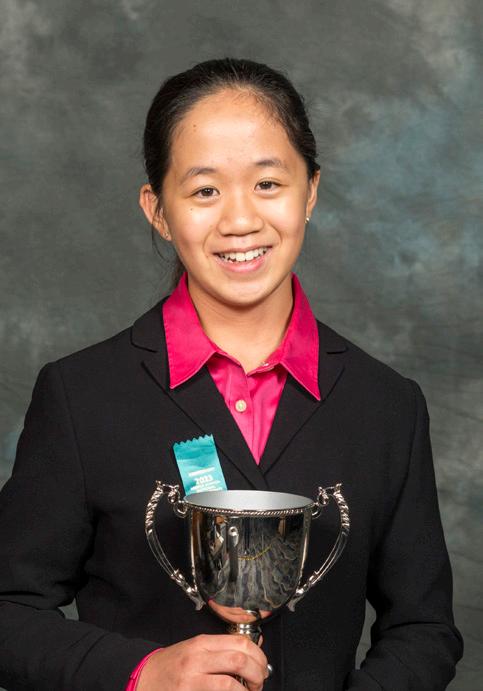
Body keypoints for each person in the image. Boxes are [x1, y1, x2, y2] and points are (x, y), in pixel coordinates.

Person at [0, 57, 463, 691]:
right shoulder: (82, 397)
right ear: (158, 210)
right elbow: (9, 611)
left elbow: (425, 629)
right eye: (204, 191)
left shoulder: (388, 406)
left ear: (311, 191)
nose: (241, 220)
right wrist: (141, 673)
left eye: (268, 183)